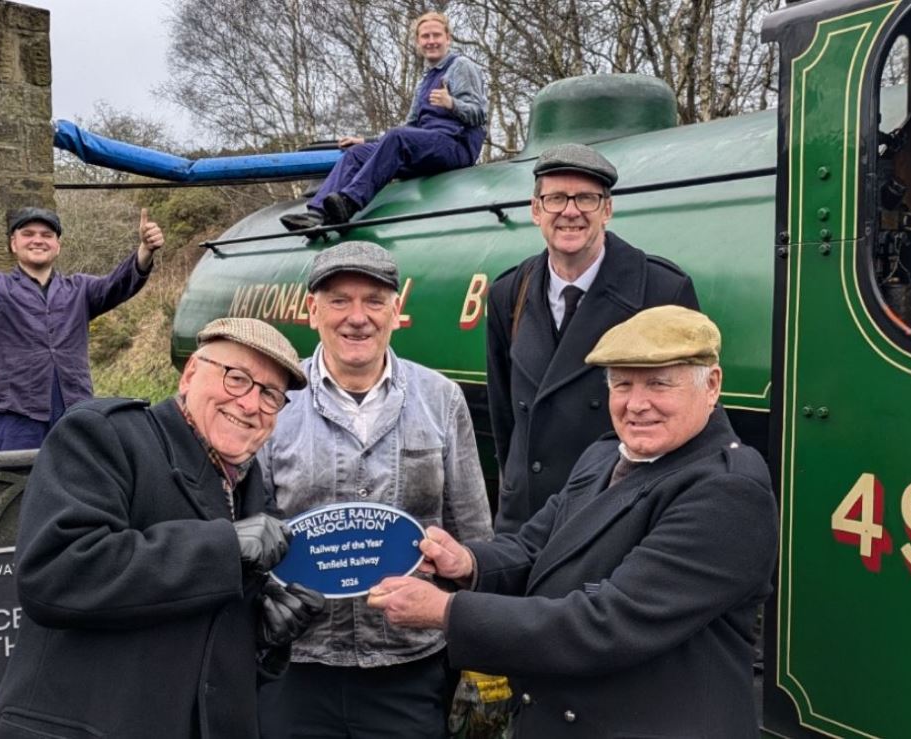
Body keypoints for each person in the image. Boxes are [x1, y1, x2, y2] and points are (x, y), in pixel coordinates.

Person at [367, 306, 778, 737]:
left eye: (659, 383)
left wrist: (447, 612)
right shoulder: (603, 455)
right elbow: (534, 548)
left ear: (711, 385)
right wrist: (467, 563)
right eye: (622, 384)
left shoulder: (728, 491)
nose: (637, 404)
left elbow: (607, 624)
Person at [0, 317, 328, 739]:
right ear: (190, 374)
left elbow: (204, 640)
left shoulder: (251, 485)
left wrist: (264, 639)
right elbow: (55, 573)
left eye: (270, 395)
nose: (251, 404)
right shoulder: (106, 434)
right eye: (237, 379)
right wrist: (222, 547)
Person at [256, 242, 493, 737]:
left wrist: (476, 636)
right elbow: (243, 528)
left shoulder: (441, 399)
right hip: (296, 663)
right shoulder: (275, 402)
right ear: (312, 310)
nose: (357, 317)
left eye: (374, 300)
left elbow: (473, 533)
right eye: (339, 300)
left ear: (396, 310)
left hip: (409, 663)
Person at [485, 143, 700, 534]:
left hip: (615, 519)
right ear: (536, 211)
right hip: (525, 519)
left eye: (586, 198)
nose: (570, 211)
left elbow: (690, 419)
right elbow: (504, 416)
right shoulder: (507, 294)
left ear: (607, 209)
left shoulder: (661, 289)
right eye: (556, 199)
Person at [0, 202, 166, 451]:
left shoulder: (80, 290)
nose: (38, 240)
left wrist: (145, 251)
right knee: (17, 487)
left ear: (57, 246)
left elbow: (118, 284)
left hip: (74, 412)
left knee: (76, 485)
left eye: (47, 235)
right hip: (13, 417)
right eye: (28, 234)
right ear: (14, 244)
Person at [280, 11, 487, 232]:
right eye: (425, 37)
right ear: (418, 42)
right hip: (427, 146)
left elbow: (479, 114)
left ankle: (349, 203)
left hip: (455, 145)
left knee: (397, 137)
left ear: (448, 38)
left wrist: (451, 103)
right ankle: (316, 214)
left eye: (436, 35)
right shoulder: (425, 81)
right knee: (356, 154)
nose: (431, 41)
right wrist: (366, 140)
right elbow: (410, 127)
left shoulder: (461, 66)